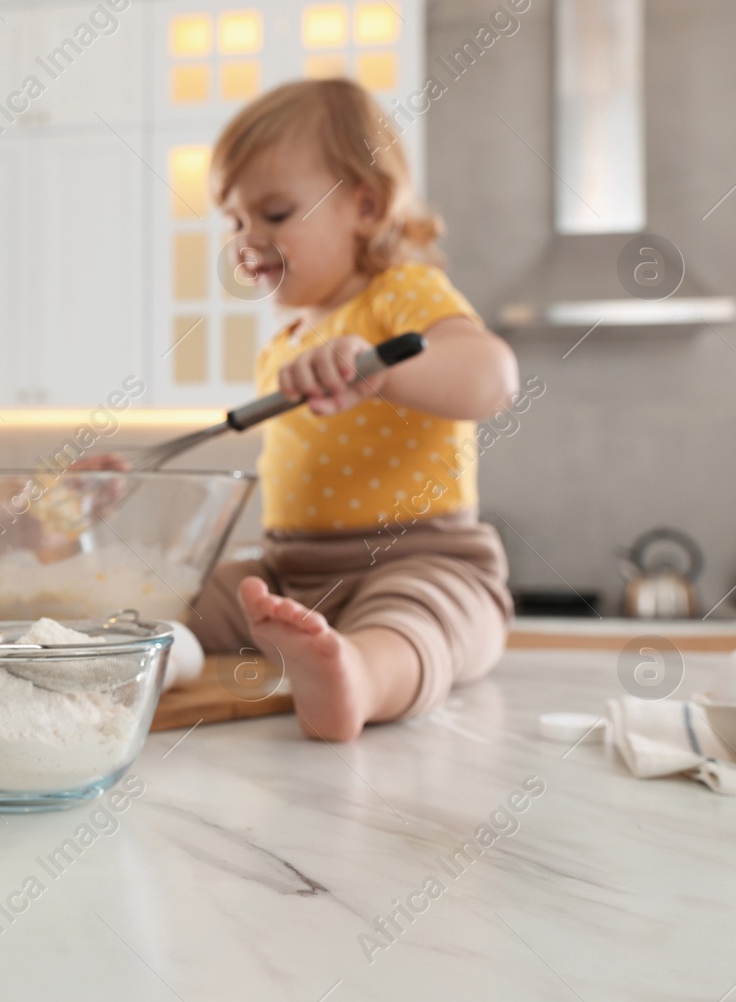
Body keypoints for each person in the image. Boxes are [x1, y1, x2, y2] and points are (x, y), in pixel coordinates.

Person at [187, 79, 520, 742]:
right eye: (235, 220)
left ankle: (360, 678)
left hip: (421, 557)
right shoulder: (285, 343)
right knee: (180, 595)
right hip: (289, 568)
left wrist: (378, 371)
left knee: (419, 621)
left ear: (364, 205)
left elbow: (492, 377)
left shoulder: (400, 295)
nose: (248, 239)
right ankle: (127, 649)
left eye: (275, 213)